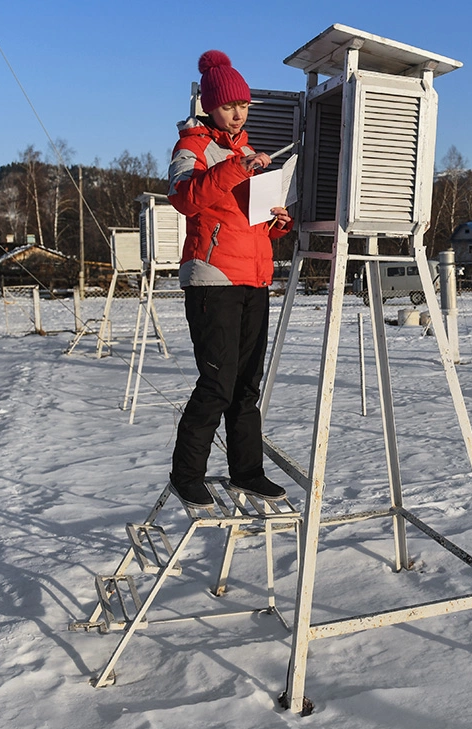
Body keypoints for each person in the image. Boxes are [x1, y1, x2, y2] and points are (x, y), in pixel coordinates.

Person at [166, 50, 293, 508]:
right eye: (228, 106)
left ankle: (248, 472)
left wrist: (276, 221)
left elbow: (245, 216)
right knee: (217, 382)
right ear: (209, 106)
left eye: (243, 106)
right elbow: (185, 198)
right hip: (212, 278)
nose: (238, 114)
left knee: (246, 387)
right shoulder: (193, 147)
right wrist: (237, 167)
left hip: (254, 277)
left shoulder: (244, 150)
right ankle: (187, 474)